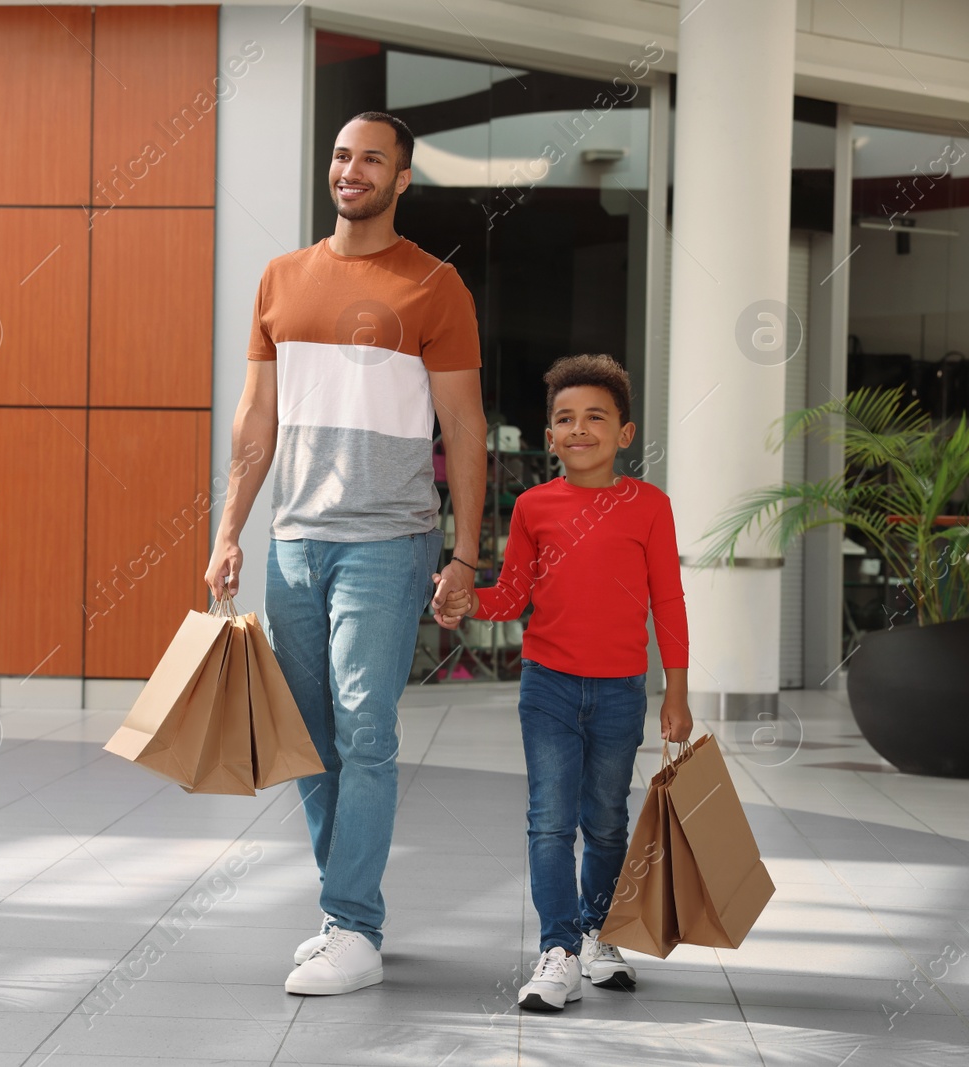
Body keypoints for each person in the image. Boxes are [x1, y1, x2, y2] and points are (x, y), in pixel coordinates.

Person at [205, 111, 486, 996]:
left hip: (389, 539)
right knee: (311, 735)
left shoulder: (435, 287)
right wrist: (227, 531)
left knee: (367, 727)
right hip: (294, 538)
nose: (351, 169)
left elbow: (465, 429)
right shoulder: (282, 279)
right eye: (340, 155)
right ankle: (345, 909)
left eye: (372, 158)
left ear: (402, 179)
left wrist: (465, 556)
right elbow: (257, 420)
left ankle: (353, 923)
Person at [433, 354, 694, 1012]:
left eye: (595, 418)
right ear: (549, 437)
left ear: (624, 434)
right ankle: (559, 950)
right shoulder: (532, 506)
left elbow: (669, 602)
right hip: (546, 684)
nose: (579, 429)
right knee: (549, 821)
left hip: (621, 690)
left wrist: (678, 691)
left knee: (605, 822)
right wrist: (467, 602)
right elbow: (514, 595)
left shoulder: (650, 507)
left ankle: (600, 932)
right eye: (565, 419)